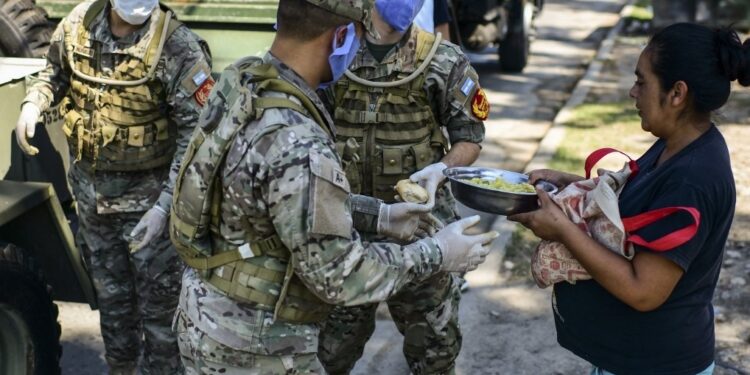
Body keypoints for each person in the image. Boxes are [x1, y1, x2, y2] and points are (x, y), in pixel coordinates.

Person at [169, 0, 498, 373]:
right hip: (259, 346)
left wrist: (379, 215)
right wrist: (438, 252)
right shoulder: (298, 141)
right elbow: (340, 275)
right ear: (341, 36)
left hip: (205, 321)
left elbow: (280, 200)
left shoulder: (240, 83)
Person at [509, 22, 743, 375]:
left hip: (659, 364)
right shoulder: (675, 144)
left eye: (642, 81)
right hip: (630, 359)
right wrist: (569, 183)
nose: (633, 92)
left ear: (677, 93)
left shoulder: (692, 178)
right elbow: (638, 206)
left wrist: (562, 229)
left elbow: (643, 291)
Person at [14, 0, 213, 372]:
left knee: (161, 318)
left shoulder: (176, 46)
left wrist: (165, 205)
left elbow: (199, 138)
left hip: (151, 212)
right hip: (94, 205)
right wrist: (34, 103)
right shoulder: (78, 25)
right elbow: (54, 73)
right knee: (114, 308)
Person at [317, 0, 487, 373]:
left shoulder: (442, 60)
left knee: (434, 354)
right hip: (348, 230)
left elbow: (470, 137)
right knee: (329, 354)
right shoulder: (335, 51)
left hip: (420, 231)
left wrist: (441, 169)